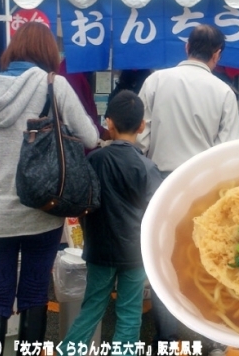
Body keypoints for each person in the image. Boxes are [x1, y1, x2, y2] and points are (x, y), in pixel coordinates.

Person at [0, 22, 99, 355]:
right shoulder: (55, 85)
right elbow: (89, 138)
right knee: (34, 294)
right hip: (42, 212)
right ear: (48, 53)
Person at [136, 23, 239, 343]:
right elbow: (229, 152)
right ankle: (212, 339)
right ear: (217, 54)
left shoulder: (155, 81)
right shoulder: (223, 91)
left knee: (163, 257)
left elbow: (140, 139)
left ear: (186, 48)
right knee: (210, 258)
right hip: (204, 188)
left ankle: (167, 335)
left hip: (160, 182)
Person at [61, 90, 162, 351]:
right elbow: (155, 213)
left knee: (92, 308)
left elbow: (83, 201)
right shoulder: (147, 167)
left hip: (100, 249)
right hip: (135, 252)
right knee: (129, 314)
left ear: (109, 123)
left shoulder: (94, 159)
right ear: (141, 126)